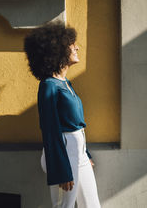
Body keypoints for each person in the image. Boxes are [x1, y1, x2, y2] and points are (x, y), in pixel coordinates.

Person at [23, 22, 101, 208]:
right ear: (56, 51)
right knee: (64, 206)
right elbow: (50, 130)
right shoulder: (49, 86)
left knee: (92, 205)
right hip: (64, 153)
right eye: (71, 44)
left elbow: (76, 124)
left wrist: (85, 153)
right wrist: (61, 171)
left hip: (78, 152)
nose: (77, 47)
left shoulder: (65, 83)